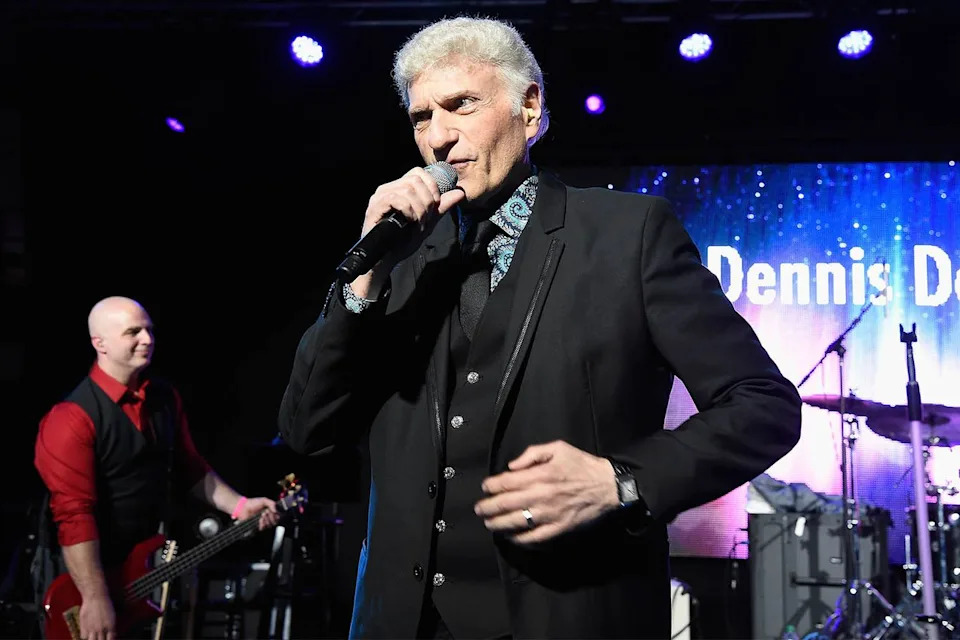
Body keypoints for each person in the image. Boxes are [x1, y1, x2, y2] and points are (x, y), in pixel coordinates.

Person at [278, 16, 802, 639]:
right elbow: (307, 430)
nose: (439, 137)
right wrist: (365, 280)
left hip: (569, 615)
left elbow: (763, 405)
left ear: (529, 108)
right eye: (422, 118)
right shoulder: (401, 258)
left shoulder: (627, 234)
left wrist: (623, 482)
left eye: (461, 104)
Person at [34, 296, 280, 640]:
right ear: (99, 343)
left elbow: (190, 469)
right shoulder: (71, 417)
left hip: (134, 566)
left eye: (149, 330)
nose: (147, 339)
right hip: (78, 577)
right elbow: (74, 515)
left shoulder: (164, 399)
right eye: (133, 332)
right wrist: (94, 595)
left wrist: (239, 506)